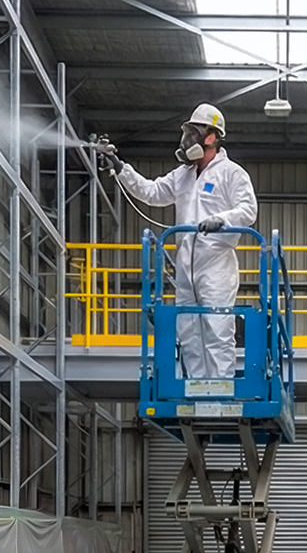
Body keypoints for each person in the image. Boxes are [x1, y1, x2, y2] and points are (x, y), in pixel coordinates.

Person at [97, 104, 257, 379]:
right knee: (188, 329)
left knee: (216, 327)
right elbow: (153, 192)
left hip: (216, 262)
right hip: (185, 264)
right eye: (187, 131)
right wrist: (121, 169)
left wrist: (222, 219)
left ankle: (219, 389)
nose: (187, 138)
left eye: (194, 131)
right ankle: (196, 389)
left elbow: (248, 209)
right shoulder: (182, 175)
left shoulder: (231, 173)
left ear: (212, 137)